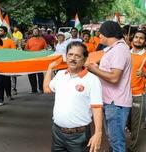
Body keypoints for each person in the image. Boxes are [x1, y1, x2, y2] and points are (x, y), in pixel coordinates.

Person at [44, 41, 103, 152]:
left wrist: (98, 133)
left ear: (85, 59)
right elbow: (47, 89)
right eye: (70, 55)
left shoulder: (92, 80)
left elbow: (97, 107)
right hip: (57, 133)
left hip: (79, 136)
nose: (73, 58)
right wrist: (49, 69)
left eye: (77, 56)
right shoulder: (61, 75)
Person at [86, 21, 132, 152]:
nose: (99, 36)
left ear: (107, 33)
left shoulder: (119, 50)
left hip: (115, 103)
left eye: (100, 33)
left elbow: (114, 77)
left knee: (116, 142)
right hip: (111, 101)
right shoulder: (114, 48)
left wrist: (93, 69)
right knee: (113, 139)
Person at [128, 30, 146, 152]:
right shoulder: (125, 53)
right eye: (136, 37)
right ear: (132, 39)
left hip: (138, 95)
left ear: (145, 41)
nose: (138, 40)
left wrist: (144, 73)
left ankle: (133, 148)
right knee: (126, 123)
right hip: (123, 95)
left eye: (141, 38)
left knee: (136, 125)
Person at [25, 27, 47, 94]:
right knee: (31, 75)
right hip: (31, 60)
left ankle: (41, 89)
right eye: (34, 31)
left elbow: (45, 49)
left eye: (36, 31)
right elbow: (26, 49)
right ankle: (33, 89)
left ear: (38, 32)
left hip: (39, 60)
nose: (35, 32)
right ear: (32, 32)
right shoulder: (29, 40)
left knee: (40, 75)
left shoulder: (42, 40)